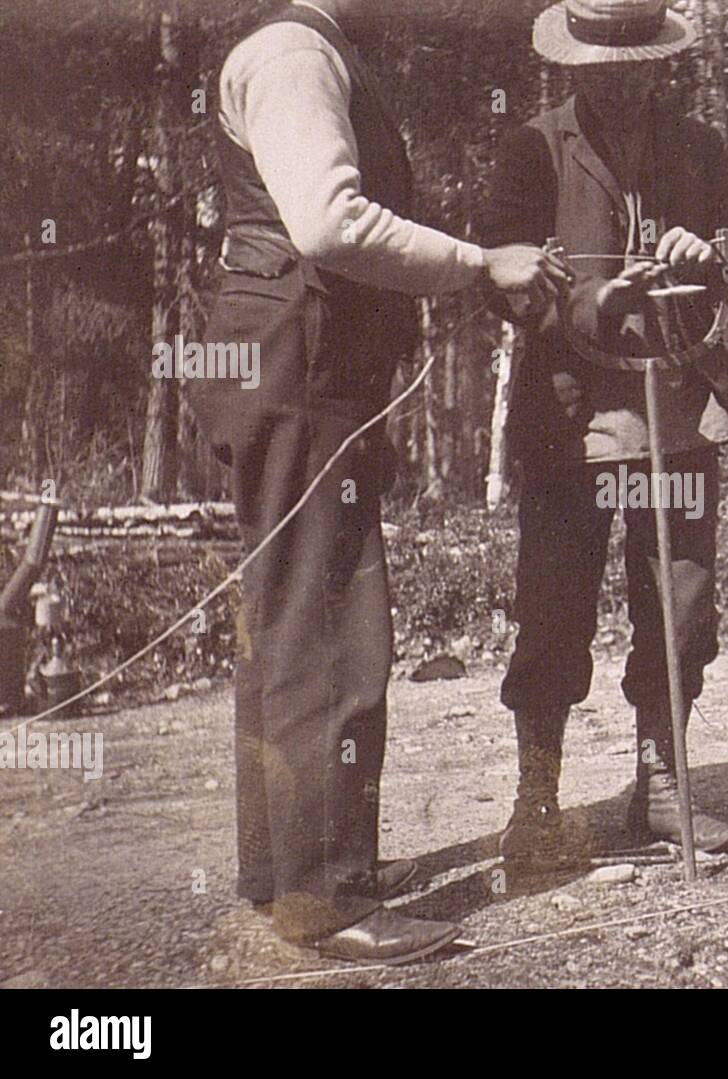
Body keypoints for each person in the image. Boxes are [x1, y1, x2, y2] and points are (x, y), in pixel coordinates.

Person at [189, 0, 570, 963]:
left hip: (287, 360)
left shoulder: (303, 49)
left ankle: (282, 872)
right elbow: (329, 222)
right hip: (299, 363)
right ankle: (327, 895)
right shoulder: (295, 53)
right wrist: (481, 263)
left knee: (283, 620)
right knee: (332, 629)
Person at [478, 0, 728, 871]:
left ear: (658, 60)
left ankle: (663, 783)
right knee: (554, 613)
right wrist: (580, 304)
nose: (625, 82)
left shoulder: (698, 146)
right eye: (607, 67)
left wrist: (709, 254)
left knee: (678, 603)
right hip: (573, 421)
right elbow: (497, 274)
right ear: (575, 64)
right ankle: (538, 799)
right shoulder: (532, 149)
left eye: (640, 65)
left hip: (676, 413)